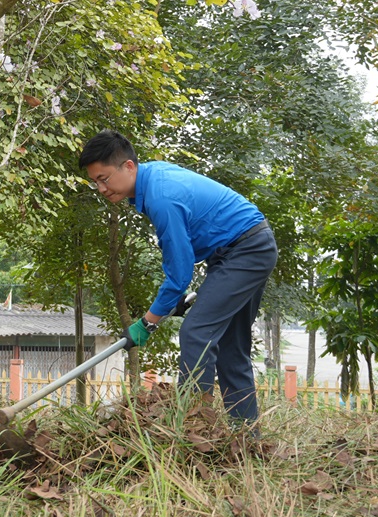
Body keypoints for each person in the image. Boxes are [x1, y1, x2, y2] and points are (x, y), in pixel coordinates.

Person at [78, 130, 277, 425]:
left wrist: (147, 323)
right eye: (95, 182)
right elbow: (187, 252)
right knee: (230, 349)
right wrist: (177, 299)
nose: (101, 189)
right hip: (245, 248)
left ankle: (195, 427)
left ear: (129, 166)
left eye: (104, 179)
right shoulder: (153, 178)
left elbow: (180, 272)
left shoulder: (161, 197)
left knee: (196, 332)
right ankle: (246, 434)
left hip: (245, 251)